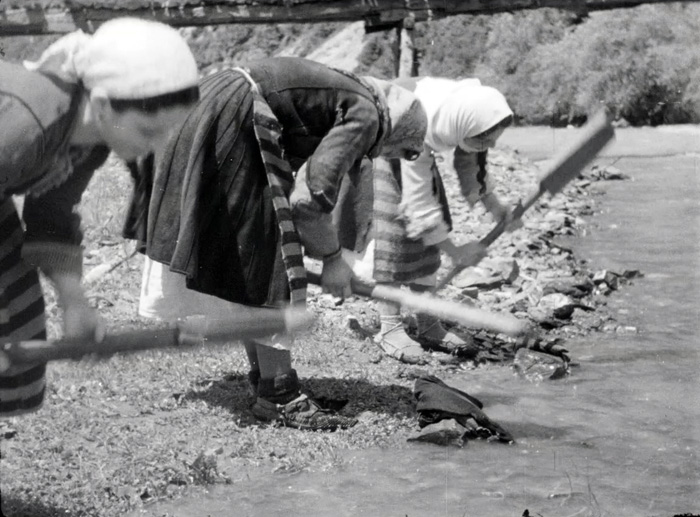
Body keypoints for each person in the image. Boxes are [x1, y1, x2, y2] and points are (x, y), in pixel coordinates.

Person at [126, 57, 428, 431]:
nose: (381, 157)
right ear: (395, 132)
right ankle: (279, 396)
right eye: (397, 151)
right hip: (234, 114)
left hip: (205, 103)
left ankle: (265, 379)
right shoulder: (366, 115)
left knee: (246, 253)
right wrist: (332, 259)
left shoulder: (354, 94)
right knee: (271, 255)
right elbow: (307, 201)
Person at [0, 18, 200, 417]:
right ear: (104, 104)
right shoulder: (23, 126)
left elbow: (51, 214)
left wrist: (74, 302)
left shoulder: (89, 138)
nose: (156, 146)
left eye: (167, 133)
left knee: (18, 328)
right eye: (148, 131)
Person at [337, 77, 515, 364]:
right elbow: (419, 207)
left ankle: (427, 322)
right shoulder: (419, 124)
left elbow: (473, 156)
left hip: (416, 156)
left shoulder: (465, 110)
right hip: (385, 149)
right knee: (392, 240)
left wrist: (495, 206)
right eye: (486, 139)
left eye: (493, 139)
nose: (491, 144)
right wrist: (456, 251)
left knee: (429, 241)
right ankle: (389, 327)